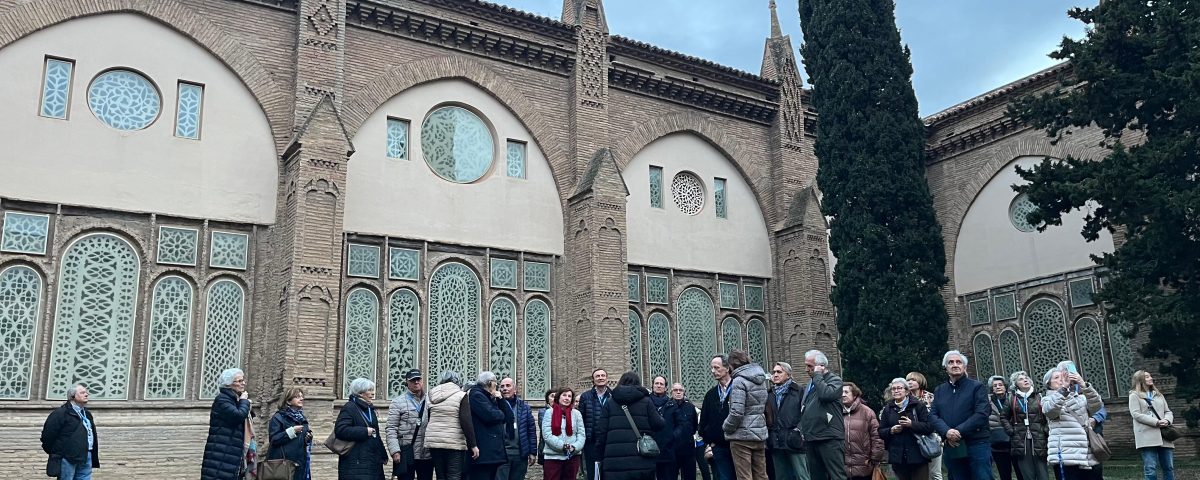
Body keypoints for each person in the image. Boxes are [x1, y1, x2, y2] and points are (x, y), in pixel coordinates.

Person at [929, 351, 991, 480]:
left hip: (976, 442)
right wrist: (946, 432)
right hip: (952, 444)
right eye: (951, 362)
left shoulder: (977, 387)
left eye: (959, 362)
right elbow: (933, 415)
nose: (955, 365)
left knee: (982, 477)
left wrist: (958, 431)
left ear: (964, 367)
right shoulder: (940, 390)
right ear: (946, 368)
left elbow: (982, 413)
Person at [594, 371, 666, 480]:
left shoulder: (610, 402)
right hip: (641, 461)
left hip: (614, 462)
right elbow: (659, 424)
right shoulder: (646, 402)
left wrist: (599, 455)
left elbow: (601, 432)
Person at [1041, 367, 1102, 480]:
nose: (1061, 379)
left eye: (1063, 376)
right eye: (1056, 377)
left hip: (1088, 454)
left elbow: (1097, 406)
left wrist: (1083, 385)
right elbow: (1051, 411)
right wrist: (1063, 389)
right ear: (1049, 384)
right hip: (1066, 456)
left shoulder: (1080, 398)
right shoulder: (1046, 400)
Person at [723, 350, 769, 480]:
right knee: (761, 475)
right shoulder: (760, 380)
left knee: (744, 476)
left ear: (731, 365)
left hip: (741, 437)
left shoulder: (739, 381)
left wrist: (726, 427)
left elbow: (737, 412)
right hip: (759, 433)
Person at [799, 350, 845, 480]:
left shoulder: (835, 380)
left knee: (836, 475)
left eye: (810, 366)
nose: (806, 369)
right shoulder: (812, 383)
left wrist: (818, 375)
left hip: (829, 437)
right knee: (816, 476)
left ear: (821, 366)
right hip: (812, 437)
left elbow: (826, 394)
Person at [201, 368, 253, 480]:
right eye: (239, 381)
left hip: (230, 451)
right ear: (228, 384)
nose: (243, 383)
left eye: (243, 380)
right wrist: (244, 401)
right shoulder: (222, 400)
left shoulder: (234, 399)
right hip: (221, 452)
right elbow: (238, 416)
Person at [40, 383, 100, 480]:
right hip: (67, 456)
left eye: (86, 392)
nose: (86, 394)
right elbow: (48, 436)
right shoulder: (61, 413)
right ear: (72, 396)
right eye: (82, 393)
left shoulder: (87, 414)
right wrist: (58, 453)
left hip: (86, 454)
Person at [880, 378, 934, 480]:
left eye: (899, 388)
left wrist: (911, 424)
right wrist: (891, 430)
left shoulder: (918, 406)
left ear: (907, 391)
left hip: (918, 455)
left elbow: (929, 427)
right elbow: (881, 431)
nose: (896, 391)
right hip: (898, 457)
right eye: (893, 389)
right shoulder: (887, 409)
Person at [425, 371, 475, 480]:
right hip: (454, 442)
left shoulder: (431, 394)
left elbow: (428, 417)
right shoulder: (461, 395)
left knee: (440, 476)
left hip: (434, 442)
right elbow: (466, 421)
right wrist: (473, 445)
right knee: (454, 476)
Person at [335, 378, 388, 480]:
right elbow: (341, 430)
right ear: (360, 392)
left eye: (372, 390)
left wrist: (382, 454)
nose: (373, 393)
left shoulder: (370, 409)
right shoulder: (350, 407)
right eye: (369, 390)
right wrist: (364, 431)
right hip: (355, 462)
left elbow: (376, 434)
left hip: (373, 461)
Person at [1001, 371, 1048, 480]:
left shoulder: (1040, 396)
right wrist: (1011, 431)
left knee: (1042, 473)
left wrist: (1045, 430)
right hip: (1020, 439)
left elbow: (1048, 417)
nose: (1025, 380)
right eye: (1021, 379)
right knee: (1027, 473)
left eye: (1026, 378)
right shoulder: (1011, 398)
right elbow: (1003, 417)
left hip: (1039, 437)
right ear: (1016, 384)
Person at [387, 369, 433, 480]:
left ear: (422, 381)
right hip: (406, 453)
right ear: (407, 382)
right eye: (413, 380)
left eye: (418, 379)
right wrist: (395, 451)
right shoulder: (397, 402)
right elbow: (391, 428)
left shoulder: (431, 401)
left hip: (426, 453)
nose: (416, 382)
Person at [766, 362, 808, 480]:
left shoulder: (799, 391)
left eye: (779, 372)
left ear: (788, 375)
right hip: (776, 441)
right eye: (774, 372)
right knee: (781, 476)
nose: (775, 374)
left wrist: (798, 431)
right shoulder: (769, 394)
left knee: (802, 475)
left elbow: (805, 413)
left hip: (794, 440)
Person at [1129, 370, 1175, 480]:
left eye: (1150, 376)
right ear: (1140, 380)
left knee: (1168, 467)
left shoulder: (1158, 395)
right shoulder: (1134, 396)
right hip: (1146, 437)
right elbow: (1136, 414)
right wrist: (1156, 422)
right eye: (1147, 377)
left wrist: (1167, 420)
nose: (1151, 378)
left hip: (1164, 436)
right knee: (1150, 469)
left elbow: (1168, 411)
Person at [467, 371, 511, 480]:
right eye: (496, 382)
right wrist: (501, 414)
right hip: (485, 453)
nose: (497, 386)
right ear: (490, 383)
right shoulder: (476, 395)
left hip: (492, 453)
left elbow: (509, 416)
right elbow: (490, 416)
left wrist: (500, 399)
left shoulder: (489, 397)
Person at [700, 355, 736, 480]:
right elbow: (704, 420)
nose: (713, 371)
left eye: (716, 367)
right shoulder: (711, 395)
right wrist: (709, 440)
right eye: (712, 368)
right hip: (718, 447)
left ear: (727, 368)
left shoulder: (738, 390)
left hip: (737, 444)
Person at [268, 386, 313, 480]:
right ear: (288, 401)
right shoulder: (278, 417)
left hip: (300, 463)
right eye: (297, 397)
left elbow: (301, 441)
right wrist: (291, 431)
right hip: (283, 464)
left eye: (302, 396)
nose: (301, 399)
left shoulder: (302, 418)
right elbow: (274, 440)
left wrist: (308, 438)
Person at [840, 383, 884, 480]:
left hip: (864, 466)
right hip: (842, 468)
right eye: (841, 392)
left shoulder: (867, 412)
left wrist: (875, 459)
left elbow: (876, 437)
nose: (843, 395)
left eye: (846, 392)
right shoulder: (836, 412)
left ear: (855, 395)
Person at [497, 377, 538, 480]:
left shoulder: (524, 407)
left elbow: (531, 430)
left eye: (508, 386)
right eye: (502, 386)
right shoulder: (495, 405)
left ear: (515, 389)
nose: (505, 388)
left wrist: (532, 452)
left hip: (520, 454)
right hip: (502, 454)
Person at [542, 387, 586, 480]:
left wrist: (574, 447)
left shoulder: (577, 414)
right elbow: (547, 435)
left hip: (572, 457)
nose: (567, 398)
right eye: (564, 395)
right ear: (558, 397)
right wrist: (563, 446)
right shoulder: (549, 412)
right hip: (553, 457)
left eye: (569, 396)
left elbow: (581, 434)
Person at [905, 372, 941, 480]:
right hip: (913, 439)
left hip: (932, 437)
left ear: (920, 382)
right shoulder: (904, 398)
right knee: (920, 473)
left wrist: (940, 436)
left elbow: (939, 416)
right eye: (908, 380)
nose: (910, 382)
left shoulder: (930, 397)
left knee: (935, 473)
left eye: (913, 380)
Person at [579, 368, 612, 480]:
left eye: (603, 375)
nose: (600, 378)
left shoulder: (613, 396)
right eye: (597, 376)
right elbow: (581, 419)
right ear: (593, 380)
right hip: (591, 440)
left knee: (608, 471)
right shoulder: (585, 396)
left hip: (609, 440)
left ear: (607, 378)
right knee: (592, 471)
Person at [987, 376, 1020, 480]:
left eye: (1000, 385)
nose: (998, 387)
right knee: (1004, 474)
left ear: (1005, 387)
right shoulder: (987, 402)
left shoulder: (1014, 399)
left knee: (1020, 472)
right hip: (998, 443)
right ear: (992, 389)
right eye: (995, 386)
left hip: (1015, 441)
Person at [670, 383, 700, 480]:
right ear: (671, 392)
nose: (678, 392)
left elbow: (694, 425)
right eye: (675, 390)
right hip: (672, 449)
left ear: (684, 392)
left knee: (689, 476)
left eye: (681, 390)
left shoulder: (690, 407)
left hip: (688, 448)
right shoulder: (668, 406)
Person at [654, 378, 681, 480]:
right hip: (650, 449)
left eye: (661, 384)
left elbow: (680, 424)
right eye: (656, 383)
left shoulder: (672, 405)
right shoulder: (647, 403)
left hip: (668, 449)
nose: (659, 386)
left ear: (665, 388)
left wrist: (672, 436)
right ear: (653, 386)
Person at [538, 389, 556, 467]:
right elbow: (544, 427)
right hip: (547, 446)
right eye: (552, 396)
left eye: (557, 396)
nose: (554, 398)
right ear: (547, 399)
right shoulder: (543, 412)